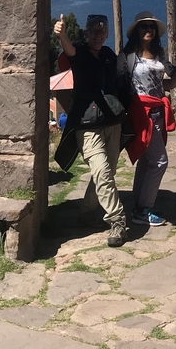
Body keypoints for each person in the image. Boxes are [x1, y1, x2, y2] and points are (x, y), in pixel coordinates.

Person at [53, 13, 128, 248]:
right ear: (86, 32)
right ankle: (117, 220)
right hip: (87, 126)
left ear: (107, 34)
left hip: (111, 123)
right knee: (102, 171)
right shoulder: (81, 52)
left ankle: (86, 213)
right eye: (94, 30)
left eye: (102, 31)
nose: (98, 35)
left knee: (107, 172)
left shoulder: (108, 55)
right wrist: (62, 34)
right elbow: (69, 51)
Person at [117, 10, 176, 227]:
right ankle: (144, 209)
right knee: (160, 161)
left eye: (152, 27)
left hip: (157, 112)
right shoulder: (127, 56)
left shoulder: (159, 54)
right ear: (137, 31)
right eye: (144, 26)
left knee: (147, 161)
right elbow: (119, 84)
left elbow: (173, 76)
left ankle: (139, 205)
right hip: (138, 113)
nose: (148, 30)